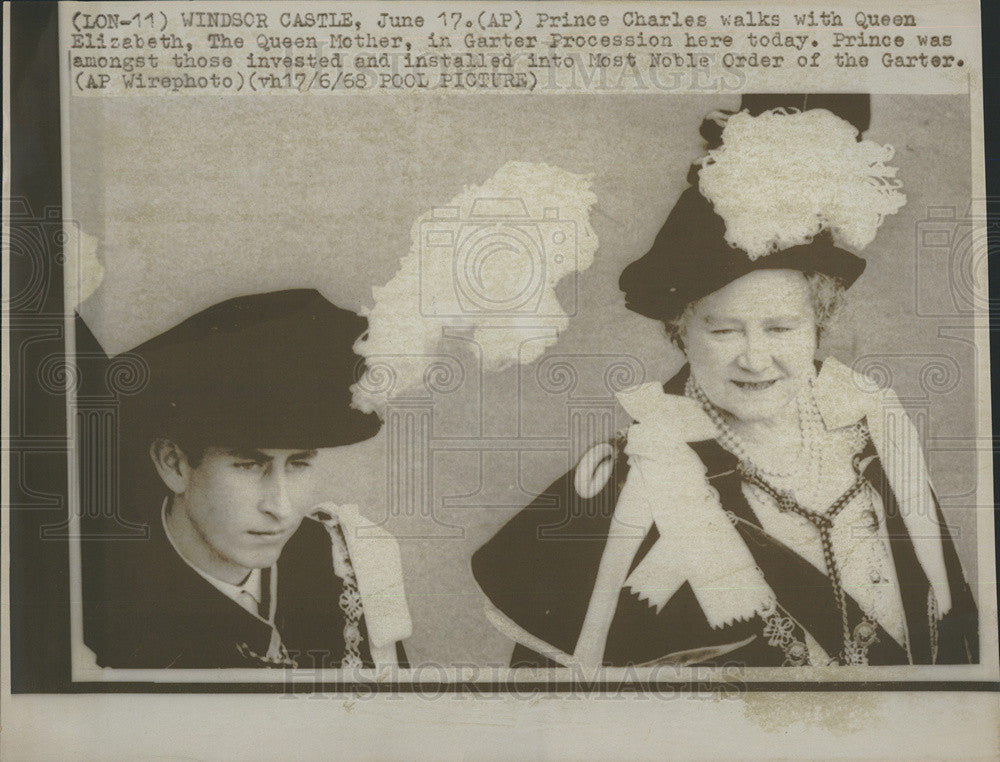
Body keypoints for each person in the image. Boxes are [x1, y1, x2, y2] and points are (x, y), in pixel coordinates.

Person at [471, 95, 979, 668]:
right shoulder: (624, 486)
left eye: (782, 327)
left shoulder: (876, 436)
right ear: (681, 333)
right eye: (724, 331)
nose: (756, 359)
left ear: (819, 327)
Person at [82, 289, 412, 669]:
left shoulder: (346, 563)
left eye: (298, 464)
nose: (280, 508)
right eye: (249, 466)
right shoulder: (104, 605)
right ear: (174, 464)